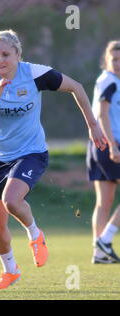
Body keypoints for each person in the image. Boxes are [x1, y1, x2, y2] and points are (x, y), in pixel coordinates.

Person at [0, 29, 106, 290]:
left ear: (18, 55)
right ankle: (10, 271)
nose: (0, 61)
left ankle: (35, 234)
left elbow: (76, 87)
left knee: (11, 201)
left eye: (6, 54)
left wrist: (92, 125)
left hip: (32, 152)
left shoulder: (34, 74)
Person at [87, 40, 120, 264]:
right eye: (114, 59)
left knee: (104, 202)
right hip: (110, 144)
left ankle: (99, 253)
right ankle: (105, 239)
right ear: (106, 60)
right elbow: (102, 114)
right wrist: (113, 145)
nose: (118, 63)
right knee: (103, 202)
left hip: (97, 145)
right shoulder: (110, 81)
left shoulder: (107, 80)